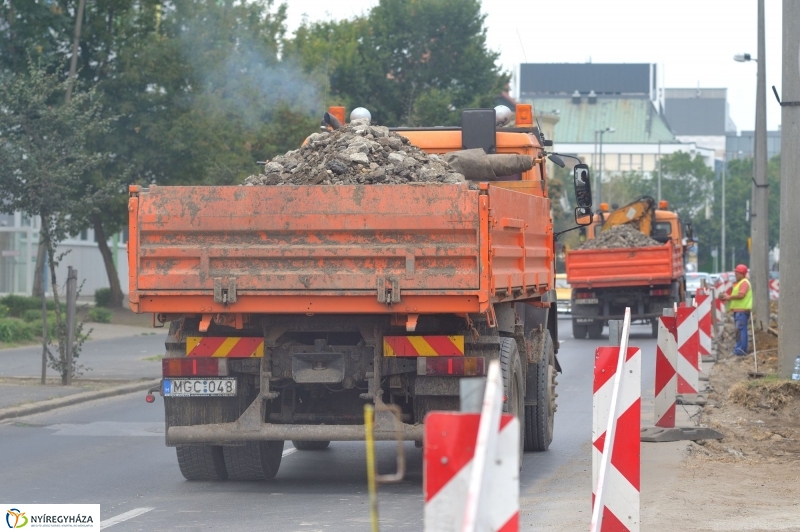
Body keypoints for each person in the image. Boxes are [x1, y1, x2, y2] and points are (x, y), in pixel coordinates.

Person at [719, 264, 752, 356]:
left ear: (742, 274)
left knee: (740, 330)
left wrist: (729, 297)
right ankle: (741, 349)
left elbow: (741, 295)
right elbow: (737, 295)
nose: (735, 275)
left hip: (742, 311)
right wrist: (728, 297)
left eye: (737, 273)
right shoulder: (741, 282)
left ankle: (740, 350)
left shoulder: (744, 283)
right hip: (739, 311)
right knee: (740, 330)